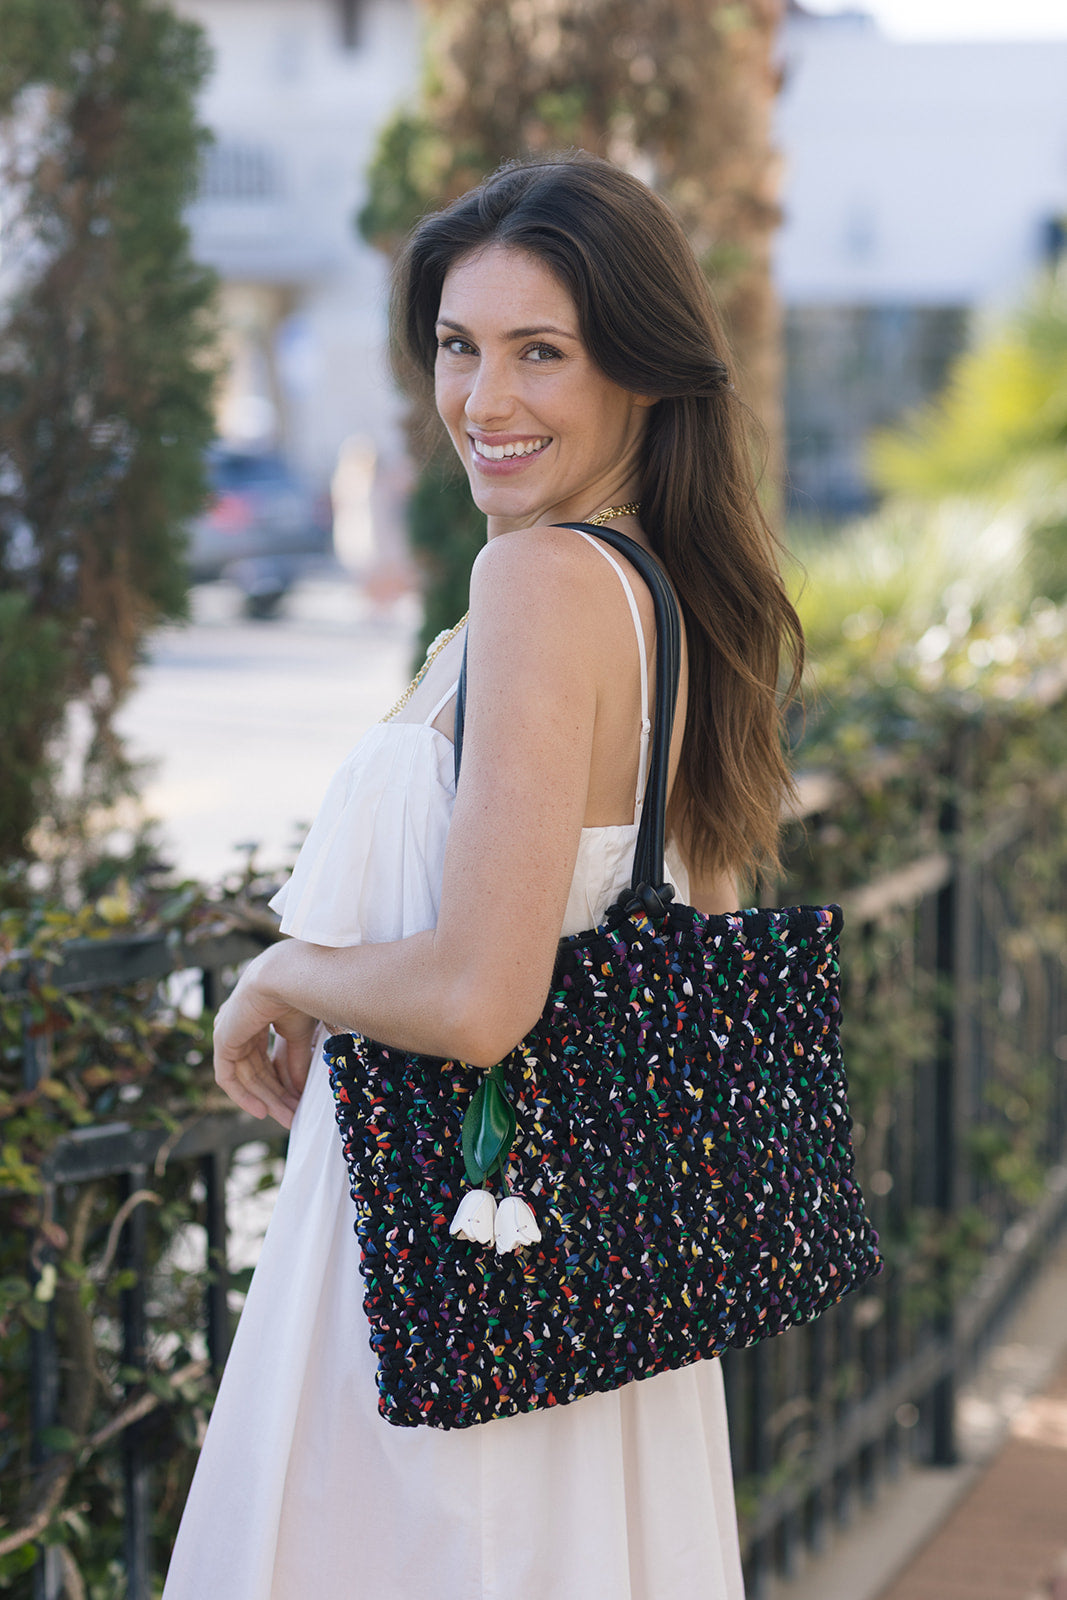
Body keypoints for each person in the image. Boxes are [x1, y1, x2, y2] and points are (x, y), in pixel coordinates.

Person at [162, 152, 802, 1600]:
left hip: (451, 1288)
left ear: (639, 372)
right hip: (570, 1301)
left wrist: (278, 973)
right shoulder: (657, 595)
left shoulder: (543, 583)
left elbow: (479, 995)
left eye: (541, 354)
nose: (484, 401)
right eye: (459, 346)